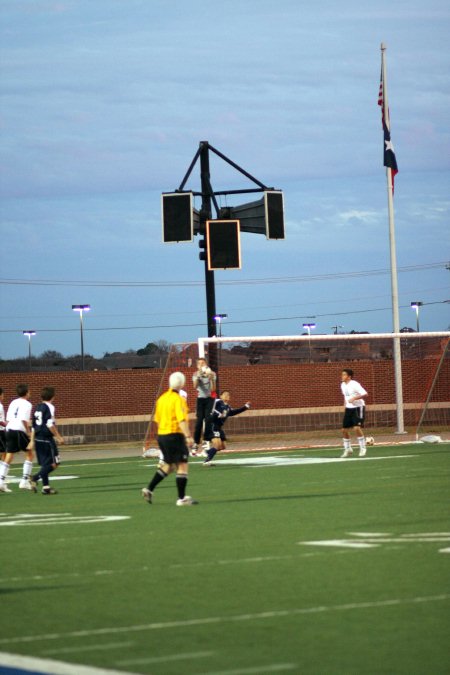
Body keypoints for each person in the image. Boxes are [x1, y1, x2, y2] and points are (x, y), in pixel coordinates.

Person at [141, 371, 197, 506]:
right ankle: (181, 498)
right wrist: (188, 437)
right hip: (174, 435)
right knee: (182, 465)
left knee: (169, 466)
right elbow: (181, 420)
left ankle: (149, 489)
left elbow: (157, 420)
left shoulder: (161, 399)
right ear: (182, 384)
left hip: (162, 436)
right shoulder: (178, 400)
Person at [29, 386, 65, 495]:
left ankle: (46, 488)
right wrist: (58, 437)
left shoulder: (37, 407)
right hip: (47, 438)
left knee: (45, 464)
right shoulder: (50, 407)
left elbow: (34, 425)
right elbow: (50, 424)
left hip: (38, 438)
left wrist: (31, 440)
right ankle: (35, 478)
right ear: (53, 396)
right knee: (55, 462)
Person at [0, 383, 33, 493]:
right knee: (29, 453)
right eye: (29, 391)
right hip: (19, 430)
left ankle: (0, 482)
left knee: (9, 456)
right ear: (27, 392)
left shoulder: (13, 402)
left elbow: (8, 418)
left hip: (9, 429)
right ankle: (24, 481)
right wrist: (28, 432)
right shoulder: (27, 404)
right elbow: (24, 420)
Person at [202, 391, 251, 466]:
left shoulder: (227, 407)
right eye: (224, 394)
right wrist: (216, 414)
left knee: (223, 446)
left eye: (228, 395)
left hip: (219, 427)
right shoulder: (217, 402)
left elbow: (233, 412)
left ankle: (207, 452)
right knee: (217, 445)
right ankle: (207, 461)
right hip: (212, 425)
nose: (227, 396)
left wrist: (245, 407)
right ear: (220, 396)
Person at [340, 369, 368, 458]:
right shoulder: (342, 385)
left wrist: (354, 398)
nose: (342, 376)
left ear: (349, 376)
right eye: (342, 375)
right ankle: (348, 449)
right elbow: (345, 396)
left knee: (356, 428)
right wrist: (345, 406)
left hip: (358, 408)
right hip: (349, 409)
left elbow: (365, 394)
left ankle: (363, 448)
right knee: (344, 430)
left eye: (344, 375)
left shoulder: (355, 384)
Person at [191, 358, 216, 455]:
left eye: (203, 363)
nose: (201, 365)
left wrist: (210, 379)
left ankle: (206, 440)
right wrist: (198, 377)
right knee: (199, 421)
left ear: (206, 364)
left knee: (208, 418)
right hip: (200, 399)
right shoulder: (195, 374)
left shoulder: (212, 373)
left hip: (209, 398)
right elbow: (195, 386)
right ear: (197, 366)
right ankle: (196, 442)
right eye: (199, 364)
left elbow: (213, 389)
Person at [0, 388, 6, 461]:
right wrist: (7, 426)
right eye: (2, 394)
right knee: (3, 450)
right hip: (1, 430)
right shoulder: (0, 406)